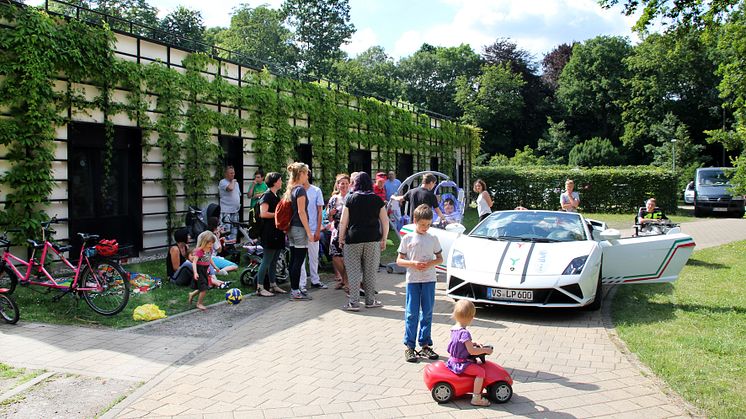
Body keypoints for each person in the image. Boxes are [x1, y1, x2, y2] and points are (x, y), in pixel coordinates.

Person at [397, 204, 443, 363]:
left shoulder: (433, 238)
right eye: (422, 224)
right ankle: (410, 346)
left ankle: (425, 344)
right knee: (411, 313)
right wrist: (413, 264)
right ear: (415, 221)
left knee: (428, 312)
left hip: (429, 280)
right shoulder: (407, 238)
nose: (425, 227)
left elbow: (440, 258)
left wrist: (430, 263)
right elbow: (399, 260)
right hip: (413, 281)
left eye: (428, 225)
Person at [338, 172, 389, 311]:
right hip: (373, 239)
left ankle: (354, 303)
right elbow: (385, 221)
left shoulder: (350, 198)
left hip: (353, 239)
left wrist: (341, 238)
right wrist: (384, 238)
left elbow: (343, 222)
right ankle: (370, 300)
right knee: (370, 271)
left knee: (354, 271)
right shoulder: (377, 199)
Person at [446, 299, 495, 407]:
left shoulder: (454, 329)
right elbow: (472, 351)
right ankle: (476, 398)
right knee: (481, 372)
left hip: (452, 360)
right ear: (471, 317)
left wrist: (473, 343)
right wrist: (485, 350)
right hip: (462, 363)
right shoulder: (465, 333)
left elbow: (460, 344)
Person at [285, 162, 314, 301]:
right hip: (299, 228)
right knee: (299, 260)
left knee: (293, 260)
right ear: (301, 174)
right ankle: (296, 291)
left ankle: (294, 289)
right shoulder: (301, 190)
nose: (307, 175)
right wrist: (309, 232)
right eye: (306, 172)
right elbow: (302, 212)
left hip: (291, 228)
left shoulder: (290, 189)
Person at [255, 172, 287, 297]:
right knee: (267, 260)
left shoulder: (275, 195)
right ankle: (260, 287)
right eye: (280, 180)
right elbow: (263, 213)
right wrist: (278, 215)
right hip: (269, 232)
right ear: (274, 182)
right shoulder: (267, 196)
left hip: (277, 231)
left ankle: (273, 284)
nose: (281, 182)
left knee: (274, 260)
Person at [300, 172, 328, 291]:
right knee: (301, 258)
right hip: (300, 229)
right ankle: (301, 283)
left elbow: (319, 212)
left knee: (314, 256)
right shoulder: (295, 190)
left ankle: (315, 280)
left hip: (312, 228)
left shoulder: (316, 191)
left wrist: (317, 229)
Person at [327, 173, 350, 291]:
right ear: (338, 185)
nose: (344, 186)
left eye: (346, 183)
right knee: (335, 256)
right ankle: (345, 279)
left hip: (349, 230)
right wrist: (330, 214)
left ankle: (347, 281)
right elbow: (329, 218)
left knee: (348, 257)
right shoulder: (334, 199)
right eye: (342, 184)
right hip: (336, 229)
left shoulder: (352, 197)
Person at [188, 231, 219, 312]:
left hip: (205, 269)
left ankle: (192, 294)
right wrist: (195, 272)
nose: (211, 245)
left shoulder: (210, 250)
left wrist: (215, 267)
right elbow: (194, 262)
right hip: (199, 269)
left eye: (212, 243)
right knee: (204, 287)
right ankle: (199, 303)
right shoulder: (199, 251)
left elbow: (209, 258)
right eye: (209, 244)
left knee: (203, 286)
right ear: (204, 243)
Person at [219, 166, 241, 240]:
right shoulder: (222, 182)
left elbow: (238, 194)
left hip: (235, 211)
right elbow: (230, 188)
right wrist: (233, 181)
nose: (233, 174)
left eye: (233, 173)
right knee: (226, 232)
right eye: (231, 173)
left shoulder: (236, 184)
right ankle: (225, 248)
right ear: (226, 174)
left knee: (234, 231)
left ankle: (232, 247)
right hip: (226, 211)